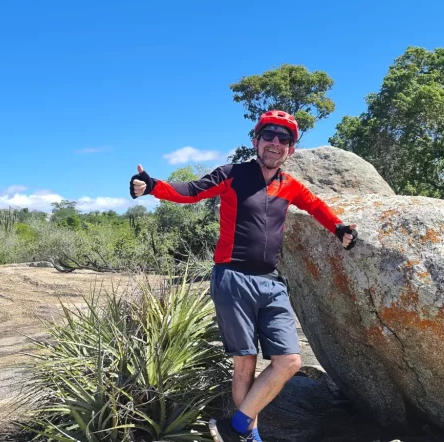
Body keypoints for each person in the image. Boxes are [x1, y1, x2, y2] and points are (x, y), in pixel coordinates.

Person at [129, 110, 358, 442]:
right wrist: (153, 187)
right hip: (232, 277)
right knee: (245, 365)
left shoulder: (290, 186)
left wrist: (339, 228)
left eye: (284, 138)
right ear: (256, 141)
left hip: (271, 282)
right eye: (269, 136)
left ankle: (235, 427)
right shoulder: (233, 174)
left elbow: (315, 206)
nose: (276, 143)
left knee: (290, 360)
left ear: (291, 149)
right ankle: (250, 437)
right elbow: (192, 190)